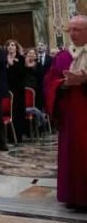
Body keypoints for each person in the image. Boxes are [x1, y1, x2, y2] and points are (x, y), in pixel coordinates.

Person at [45, 16, 87, 209]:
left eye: (77, 29)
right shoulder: (62, 57)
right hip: (70, 116)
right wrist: (63, 83)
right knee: (73, 153)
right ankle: (73, 196)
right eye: (70, 30)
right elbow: (49, 81)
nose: (72, 34)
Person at [5, 39, 26, 142]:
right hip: (8, 88)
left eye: (12, 45)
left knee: (18, 112)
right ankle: (9, 136)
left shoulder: (21, 59)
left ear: (16, 47)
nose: (10, 47)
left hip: (18, 89)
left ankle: (18, 136)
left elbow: (22, 74)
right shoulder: (4, 59)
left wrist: (12, 64)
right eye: (8, 45)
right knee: (9, 111)